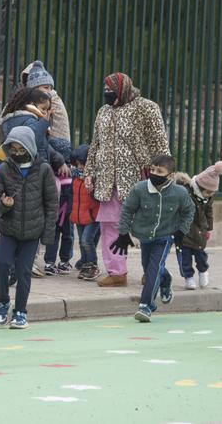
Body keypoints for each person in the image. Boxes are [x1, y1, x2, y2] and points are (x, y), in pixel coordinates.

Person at [84, 73, 169, 287]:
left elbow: (159, 141)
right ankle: (117, 272)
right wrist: (89, 172)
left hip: (139, 177)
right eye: (104, 89)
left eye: (110, 89)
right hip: (108, 178)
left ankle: (151, 269)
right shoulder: (104, 111)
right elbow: (95, 145)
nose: (107, 93)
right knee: (110, 224)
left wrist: (164, 172)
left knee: (147, 225)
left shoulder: (146, 107)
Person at [108, 154, 194, 323]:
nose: (153, 173)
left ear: (170, 175)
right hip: (144, 237)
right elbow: (127, 210)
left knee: (153, 270)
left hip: (165, 237)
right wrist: (123, 233)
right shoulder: (140, 189)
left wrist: (181, 231)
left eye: (159, 171)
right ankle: (166, 279)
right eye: (152, 169)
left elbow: (189, 211)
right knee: (149, 268)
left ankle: (146, 305)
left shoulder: (180, 193)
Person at [0, 126, 58, 330]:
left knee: (23, 271)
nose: (17, 153)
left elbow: (51, 203)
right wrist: (4, 205)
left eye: (21, 149)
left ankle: (20, 312)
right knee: (1, 264)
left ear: (29, 148)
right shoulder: (3, 170)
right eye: (13, 149)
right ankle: (3, 302)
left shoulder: (44, 169)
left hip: (32, 232)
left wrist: (47, 235)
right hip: (9, 230)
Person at [176, 161, 222, 290]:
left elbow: (209, 213)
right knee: (185, 257)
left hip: (200, 231)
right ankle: (189, 277)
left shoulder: (208, 198)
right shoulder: (186, 194)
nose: (210, 195)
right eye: (208, 192)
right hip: (185, 231)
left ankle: (203, 271)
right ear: (199, 187)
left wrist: (209, 228)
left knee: (201, 255)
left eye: (212, 193)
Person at [20, 61, 73, 159]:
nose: (49, 91)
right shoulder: (23, 106)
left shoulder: (53, 99)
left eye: (50, 88)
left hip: (55, 151)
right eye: (46, 88)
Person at [68, 145, 101, 281]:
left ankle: (92, 264)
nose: (80, 167)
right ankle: (85, 261)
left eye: (83, 164)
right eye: (78, 164)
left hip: (93, 216)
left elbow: (99, 197)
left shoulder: (96, 178)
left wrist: (92, 189)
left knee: (86, 240)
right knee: (83, 242)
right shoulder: (75, 177)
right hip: (79, 215)